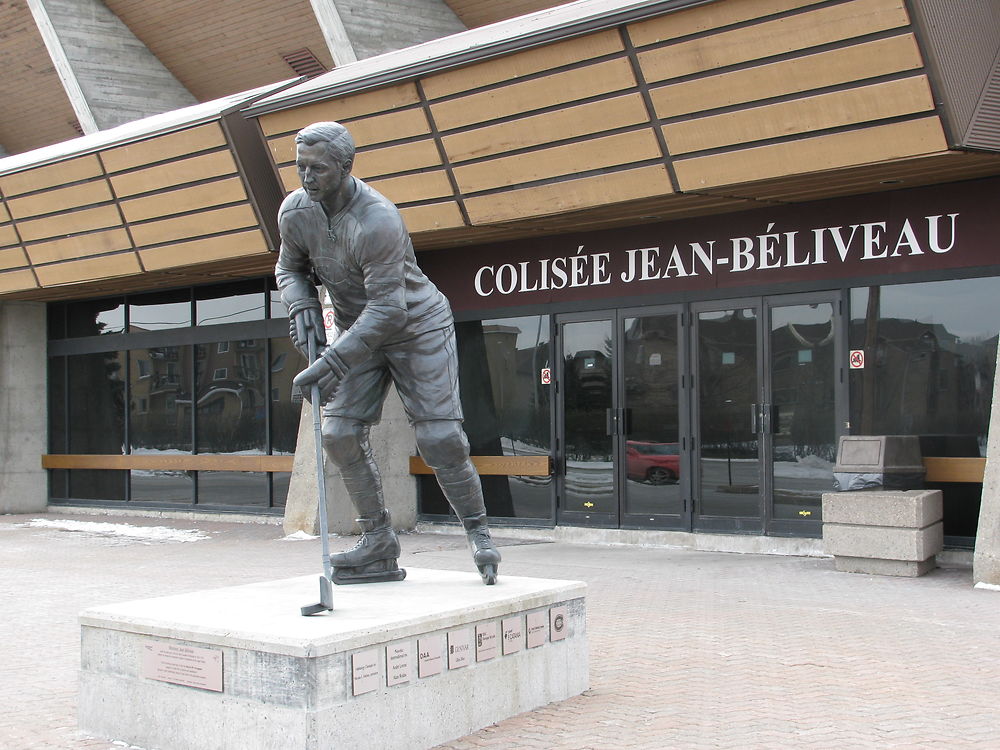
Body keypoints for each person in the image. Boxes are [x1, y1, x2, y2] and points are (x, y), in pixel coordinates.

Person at [275, 121, 501, 585]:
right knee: (337, 433)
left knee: (440, 439)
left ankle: (479, 533)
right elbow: (289, 267)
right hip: (363, 328)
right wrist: (300, 306)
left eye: (317, 168)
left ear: (344, 166)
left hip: (413, 324)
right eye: (300, 167)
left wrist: (334, 361)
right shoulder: (296, 212)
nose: (306, 177)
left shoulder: (377, 219)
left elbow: (389, 310)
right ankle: (377, 539)